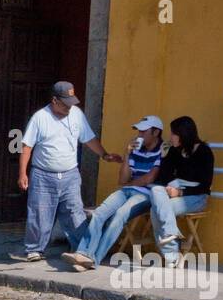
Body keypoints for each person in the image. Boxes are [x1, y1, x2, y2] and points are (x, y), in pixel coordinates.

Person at [16, 80, 122, 262]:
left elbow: (89, 139)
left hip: (70, 174)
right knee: (40, 213)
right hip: (43, 174)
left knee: (75, 213)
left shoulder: (77, 115)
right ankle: (35, 249)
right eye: (65, 104)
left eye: (71, 103)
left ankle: (82, 250)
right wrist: (22, 174)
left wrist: (104, 155)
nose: (69, 108)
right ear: (54, 101)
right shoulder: (40, 118)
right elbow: (27, 146)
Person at [62, 116, 165, 270]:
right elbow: (122, 180)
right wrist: (127, 154)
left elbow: (150, 178)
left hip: (146, 195)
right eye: (139, 131)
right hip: (127, 190)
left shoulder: (163, 150)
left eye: (144, 131)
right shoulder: (136, 149)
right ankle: (84, 253)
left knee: (119, 215)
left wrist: (130, 183)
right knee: (99, 213)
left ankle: (93, 259)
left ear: (156, 132)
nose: (139, 135)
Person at [149, 116, 214, 267]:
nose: (170, 137)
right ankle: (171, 237)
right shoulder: (174, 150)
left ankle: (171, 255)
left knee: (156, 210)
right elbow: (163, 180)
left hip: (196, 196)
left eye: (173, 133)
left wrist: (180, 193)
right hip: (173, 190)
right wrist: (164, 157)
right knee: (156, 189)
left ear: (183, 134)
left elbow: (205, 186)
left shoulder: (204, 152)